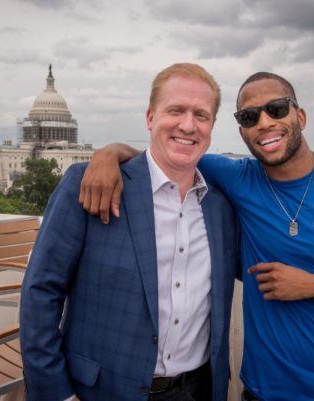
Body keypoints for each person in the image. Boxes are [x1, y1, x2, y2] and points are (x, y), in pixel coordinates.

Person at [78, 71, 314, 401]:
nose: (264, 123)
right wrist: (108, 155)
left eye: (276, 110)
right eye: (249, 117)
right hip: (261, 389)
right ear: (241, 131)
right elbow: (163, 155)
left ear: (300, 116)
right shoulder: (236, 177)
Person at [20, 63, 238, 401]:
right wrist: (57, 394)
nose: (188, 124)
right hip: (100, 391)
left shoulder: (222, 209)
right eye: (175, 110)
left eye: (201, 115)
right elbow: (40, 291)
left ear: (211, 125)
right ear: (150, 117)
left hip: (195, 391)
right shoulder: (90, 184)